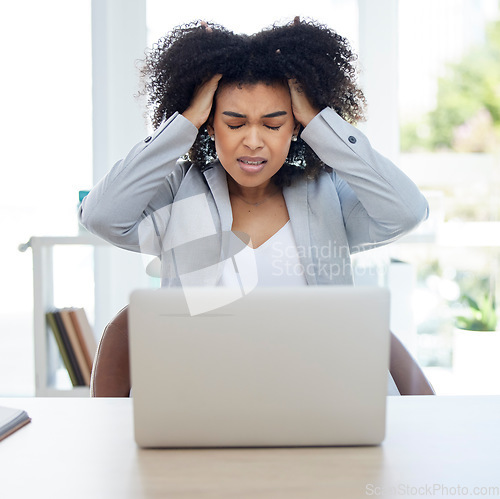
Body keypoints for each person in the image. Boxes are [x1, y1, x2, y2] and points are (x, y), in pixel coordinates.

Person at [81, 18, 431, 396]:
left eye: (272, 123)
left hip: (321, 398)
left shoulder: (329, 196)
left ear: (294, 127)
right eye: (234, 123)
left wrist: (319, 121)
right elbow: (101, 216)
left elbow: (406, 211)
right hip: (202, 398)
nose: (253, 141)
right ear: (210, 125)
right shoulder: (178, 192)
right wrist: (182, 123)